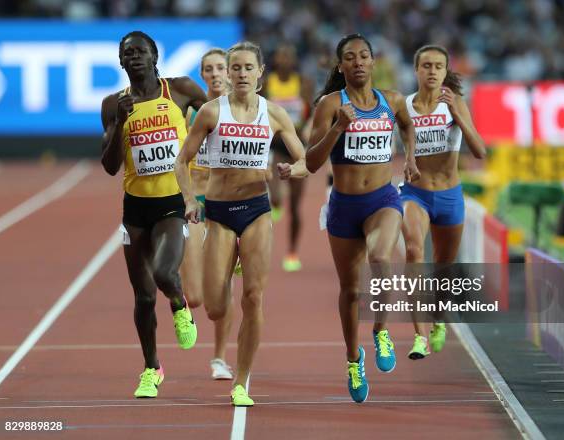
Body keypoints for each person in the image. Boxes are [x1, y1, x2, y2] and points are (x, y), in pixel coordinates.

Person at [175, 41, 308, 407]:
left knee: (253, 297)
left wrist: (291, 169)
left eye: (249, 68)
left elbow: (305, 159)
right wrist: (189, 200)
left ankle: (242, 380)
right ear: (229, 74)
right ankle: (226, 266)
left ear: (260, 73)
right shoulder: (210, 112)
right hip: (219, 213)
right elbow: (181, 162)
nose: (241, 74)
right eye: (235, 68)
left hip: (256, 211)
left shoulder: (275, 114)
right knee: (216, 307)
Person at [306, 34, 418, 403]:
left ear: (373, 62)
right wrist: (338, 127)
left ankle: (382, 331)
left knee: (382, 258)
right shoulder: (328, 105)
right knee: (351, 290)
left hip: (383, 199)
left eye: (364, 56)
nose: (357, 62)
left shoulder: (393, 100)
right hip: (343, 206)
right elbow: (310, 162)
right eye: (350, 57)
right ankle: (354, 358)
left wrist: (411, 157)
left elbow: (406, 124)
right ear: (340, 66)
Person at [100, 31, 207, 398]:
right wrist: (118, 125)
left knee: (164, 272)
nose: (134, 58)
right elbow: (110, 166)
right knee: (144, 298)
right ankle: (151, 369)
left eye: (140, 52)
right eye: (127, 53)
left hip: (173, 201)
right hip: (135, 208)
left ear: (155, 56)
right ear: (120, 62)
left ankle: (179, 304)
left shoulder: (179, 89)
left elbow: (212, 119)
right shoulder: (113, 103)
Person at [400, 45, 485, 360]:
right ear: (416, 70)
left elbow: (479, 151)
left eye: (438, 66)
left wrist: (460, 117)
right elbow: (402, 145)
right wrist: (408, 161)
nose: (432, 71)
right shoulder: (404, 106)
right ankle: (419, 336)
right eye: (426, 65)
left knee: (444, 270)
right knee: (413, 251)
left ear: (446, 71)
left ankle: (437, 320)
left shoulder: (456, 103)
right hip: (415, 193)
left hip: (450, 195)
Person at [180, 48, 234, 380]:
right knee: (197, 298)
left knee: (223, 289)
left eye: (220, 68)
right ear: (202, 75)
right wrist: (186, 198)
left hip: (229, 206)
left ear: (229, 72)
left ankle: (219, 358)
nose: (215, 74)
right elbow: (180, 162)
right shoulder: (191, 115)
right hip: (197, 203)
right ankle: (180, 301)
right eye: (208, 69)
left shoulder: (242, 112)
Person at [263, 43, 314, 272]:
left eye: (288, 57)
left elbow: (311, 112)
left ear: (294, 61)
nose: (284, 61)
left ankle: (292, 252)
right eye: (281, 56)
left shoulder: (303, 83)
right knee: (274, 196)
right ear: (276, 60)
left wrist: (307, 128)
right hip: (274, 146)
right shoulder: (267, 84)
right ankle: (275, 203)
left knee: (295, 206)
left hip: (296, 147)